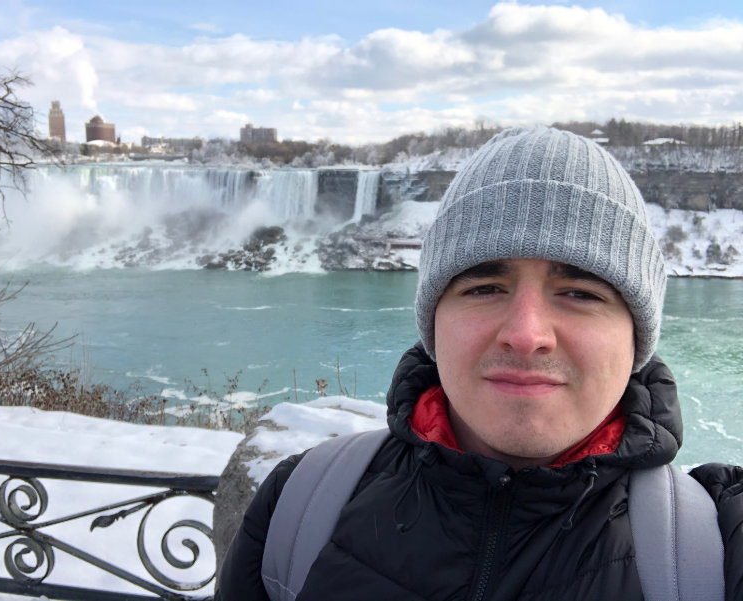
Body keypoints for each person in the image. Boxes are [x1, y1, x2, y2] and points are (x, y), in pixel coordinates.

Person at [215, 127, 743, 600]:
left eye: (581, 293)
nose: (525, 335)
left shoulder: (716, 548)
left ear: (637, 337)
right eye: (485, 287)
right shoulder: (300, 506)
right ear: (432, 323)